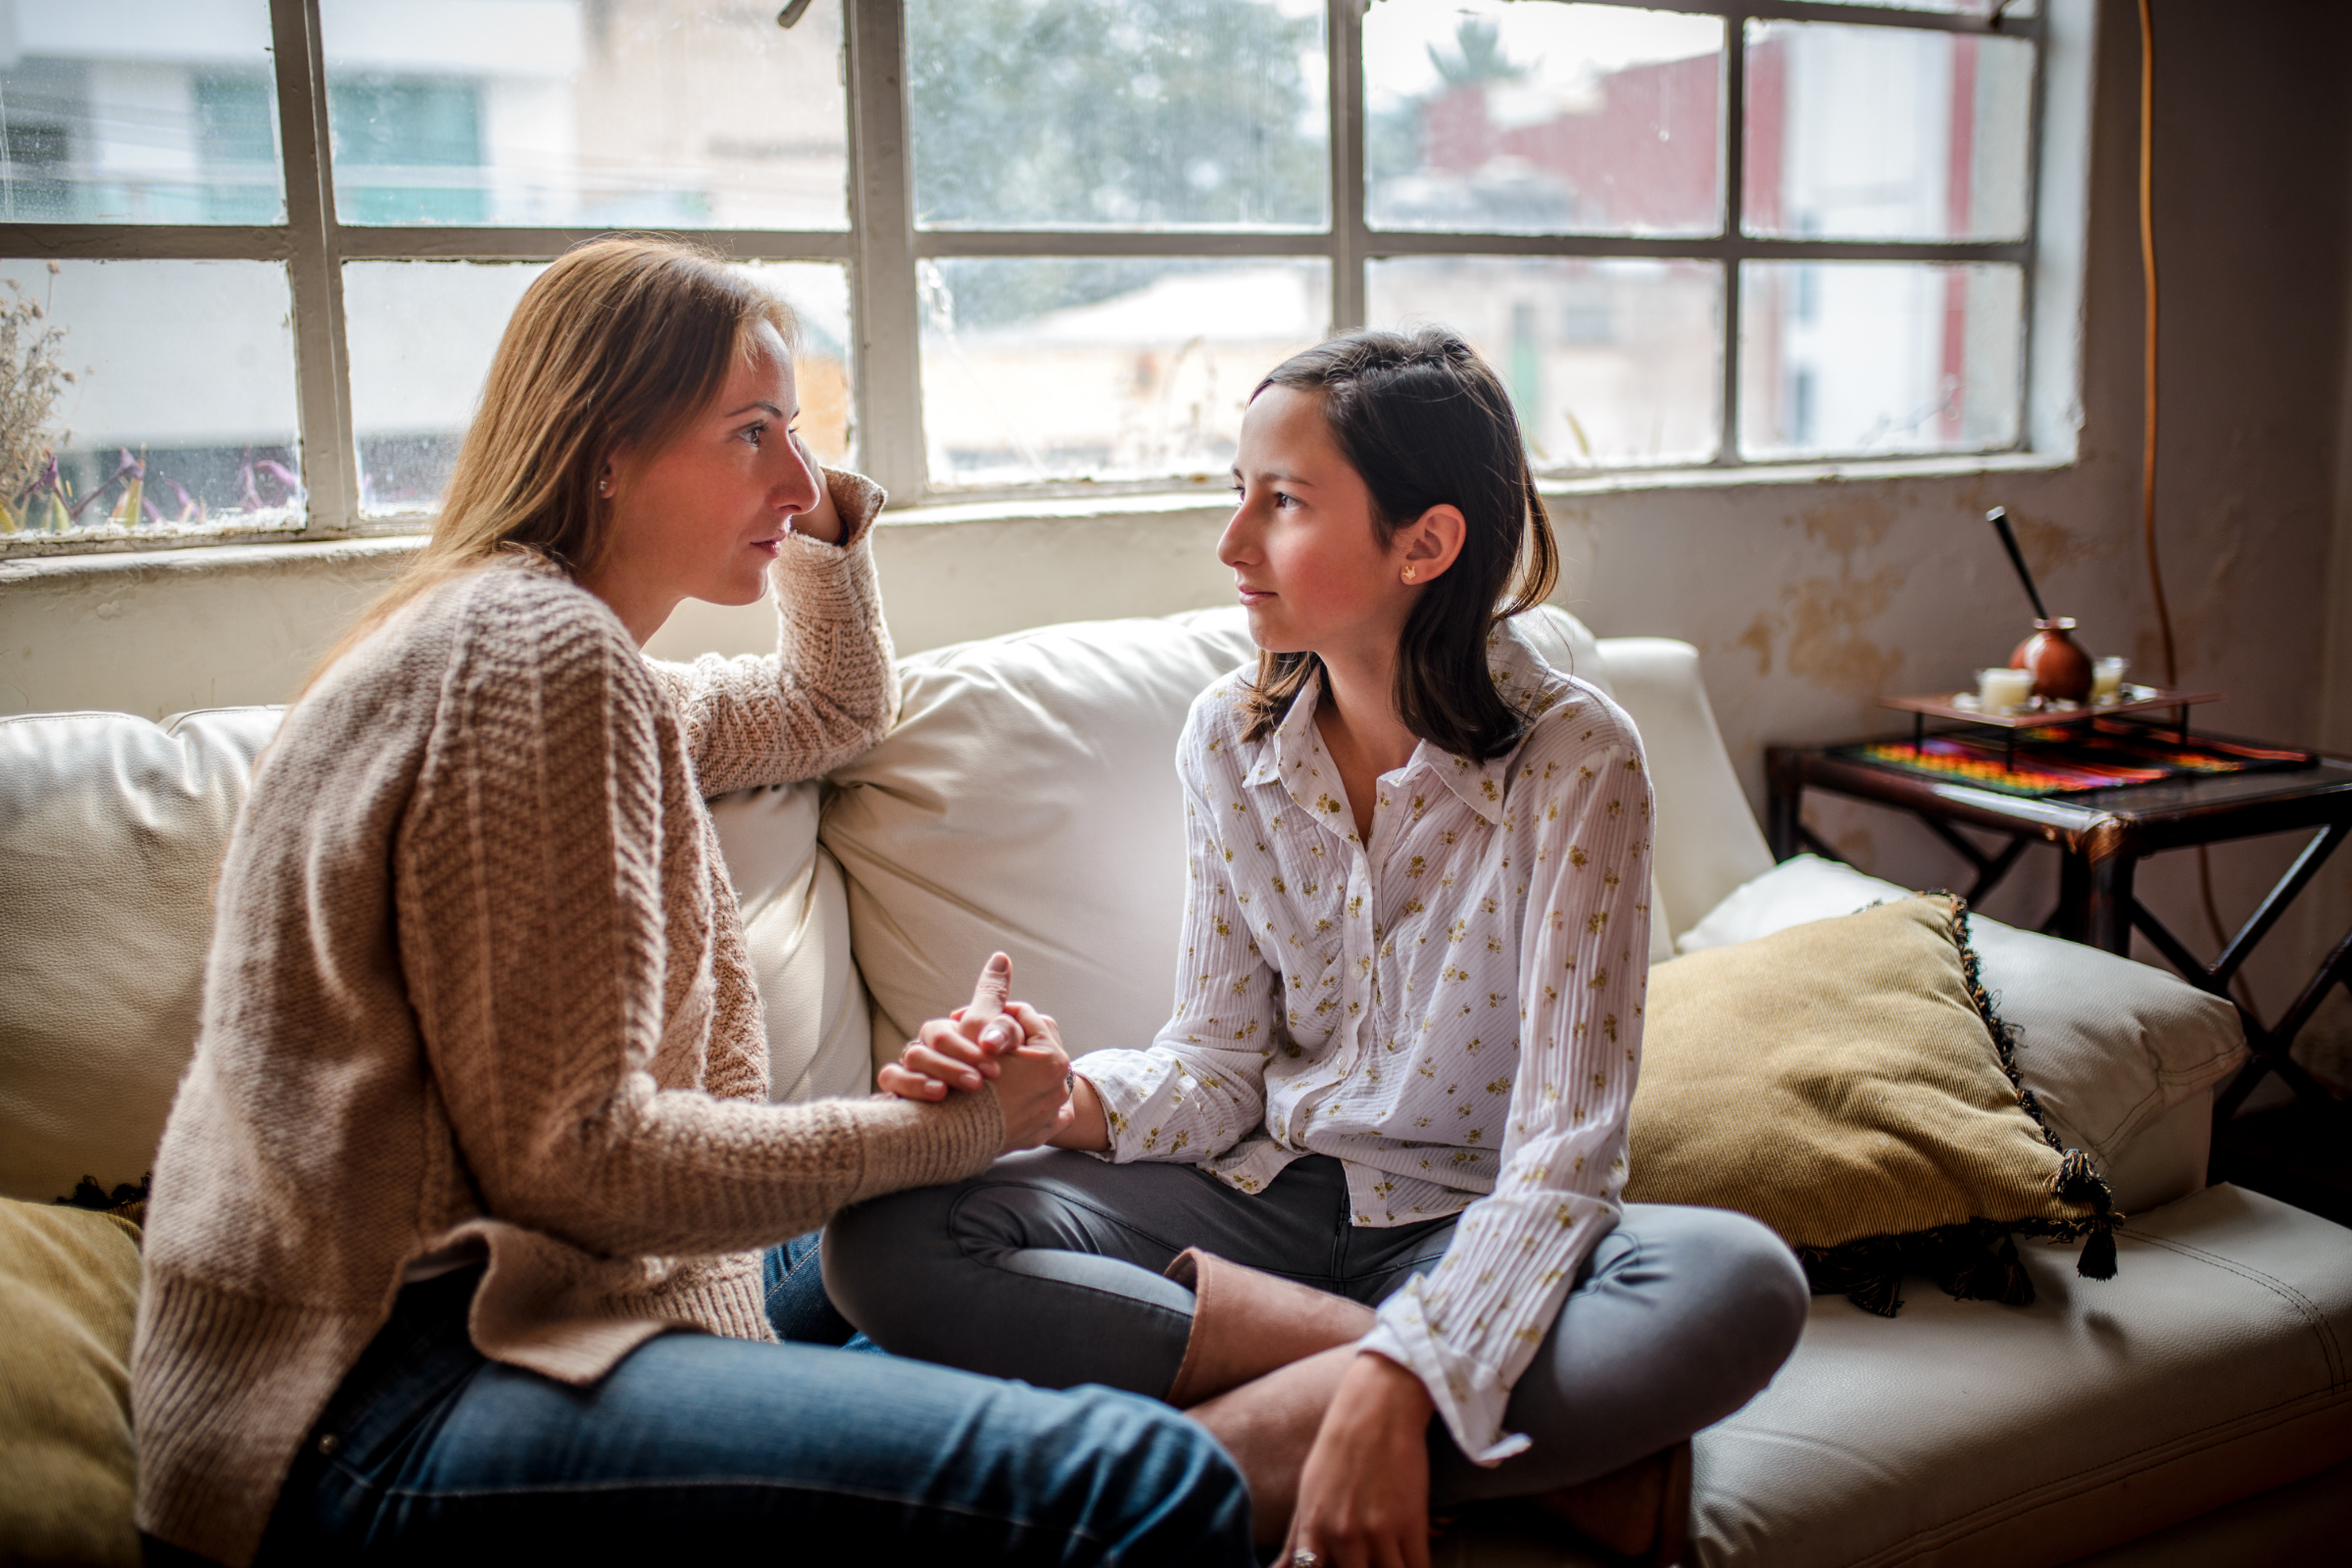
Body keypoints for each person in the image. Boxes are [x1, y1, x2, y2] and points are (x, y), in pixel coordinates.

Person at [128, 236, 1250, 1568]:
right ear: (606, 445)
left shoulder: (547, 650)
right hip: (388, 1395)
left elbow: (826, 710)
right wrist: (932, 1133)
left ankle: (1350, 1368)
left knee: (972, 1199)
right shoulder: (534, 665)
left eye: (800, 433)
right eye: (753, 434)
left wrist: (963, 1132)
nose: (803, 475)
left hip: (528, 1313)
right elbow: (586, 1163)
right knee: (1153, 1483)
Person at [827, 328, 1812, 1568]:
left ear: (1425, 543)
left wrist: (1409, 1365)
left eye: (1281, 502)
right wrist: (1063, 1099)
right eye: (1239, 495)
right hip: (1263, 1194)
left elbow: (1565, 1157)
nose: (1233, 543)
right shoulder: (1228, 739)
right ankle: (1480, 1433)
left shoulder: (1577, 757)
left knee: (1737, 1280)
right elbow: (1220, 1057)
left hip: (1466, 1221)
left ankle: (1203, 1470)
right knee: (882, 1238)